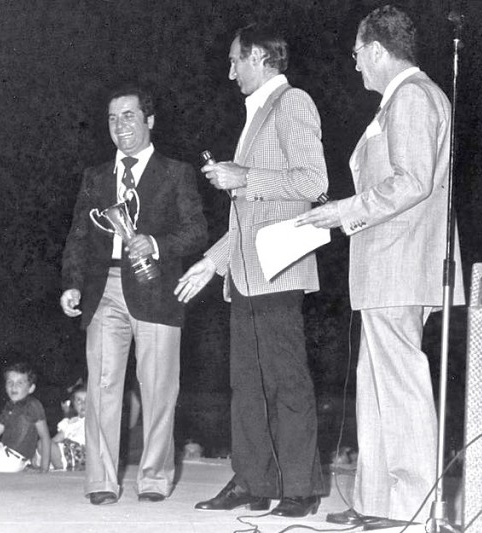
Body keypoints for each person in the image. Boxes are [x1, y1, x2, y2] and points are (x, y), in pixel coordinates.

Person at [296, 5, 465, 525]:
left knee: (399, 386)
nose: (355, 65)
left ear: (375, 50)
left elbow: (412, 182)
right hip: (389, 264)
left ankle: (410, 503)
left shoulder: (412, 97)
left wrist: (343, 211)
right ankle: (376, 502)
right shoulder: (402, 99)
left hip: (400, 262)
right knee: (376, 386)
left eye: (356, 54)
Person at [175, 23, 328, 518]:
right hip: (245, 274)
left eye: (235, 60)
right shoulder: (256, 113)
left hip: (280, 270)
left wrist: (244, 176)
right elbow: (250, 216)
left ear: (259, 57)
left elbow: (314, 182)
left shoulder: (292, 103)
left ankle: (300, 489)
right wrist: (211, 262)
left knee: (287, 382)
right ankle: (252, 482)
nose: (230, 71)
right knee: (247, 387)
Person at [60, 86, 207, 505]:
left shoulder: (176, 173)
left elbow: (197, 231)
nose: (119, 125)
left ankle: (154, 479)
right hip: (102, 289)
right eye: (112, 118)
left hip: (157, 290)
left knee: (159, 389)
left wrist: (156, 244)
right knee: (102, 386)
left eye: (128, 115)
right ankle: (101, 482)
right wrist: (71, 283)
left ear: (150, 120)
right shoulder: (95, 176)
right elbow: (78, 235)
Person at [50, 388, 86, 471]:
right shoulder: (70, 423)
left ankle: (61, 467)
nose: (83, 404)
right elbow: (55, 440)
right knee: (44, 444)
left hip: (82, 453)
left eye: (87, 400)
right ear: (74, 404)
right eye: (79, 400)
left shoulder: (94, 421)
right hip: (67, 451)